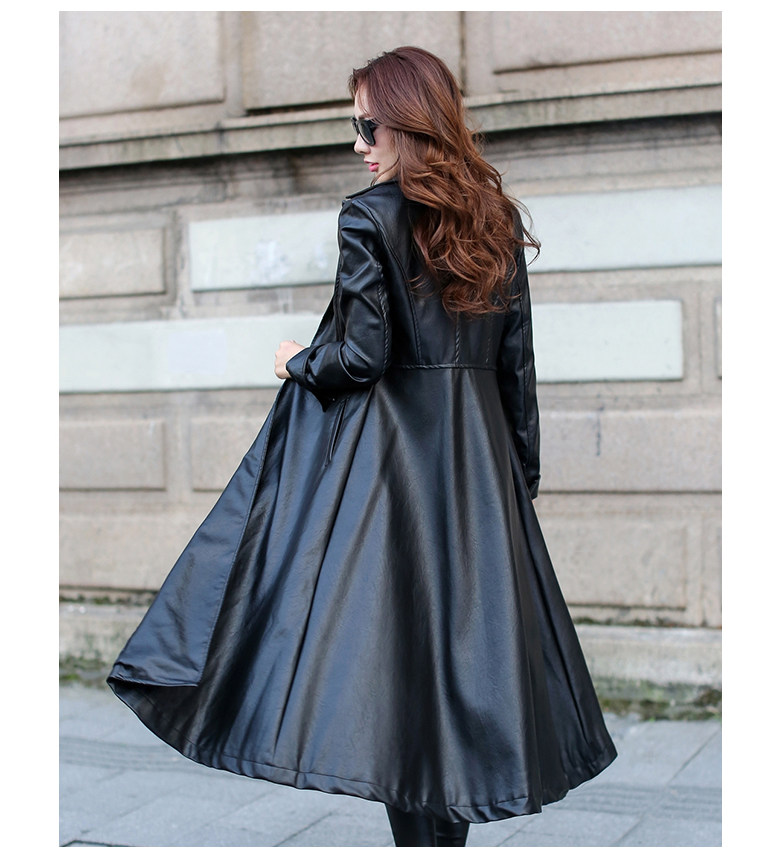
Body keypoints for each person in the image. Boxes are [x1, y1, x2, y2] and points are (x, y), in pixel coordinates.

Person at [108, 46, 617, 848]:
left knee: (404, 682)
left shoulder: (368, 217)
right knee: (463, 679)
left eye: (366, 126)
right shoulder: (494, 218)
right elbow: (516, 368)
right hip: (479, 478)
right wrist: (517, 478)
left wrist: (293, 360)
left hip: (394, 479)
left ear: (408, 123)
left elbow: (358, 359)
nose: (358, 144)